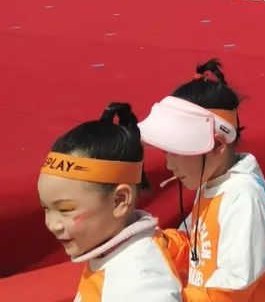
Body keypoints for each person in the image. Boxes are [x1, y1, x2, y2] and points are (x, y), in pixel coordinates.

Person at [137, 60, 265, 300]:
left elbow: (235, 284)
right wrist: (162, 244)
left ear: (217, 144)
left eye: (176, 151)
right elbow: (199, 248)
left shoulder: (242, 195)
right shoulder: (213, 183)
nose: (169, 164)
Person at [39, 103, 184, 301]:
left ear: (119, 200)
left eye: (66, 209)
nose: (51, 224)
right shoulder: (111, 256)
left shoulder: (139, 284)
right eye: (46, 208)